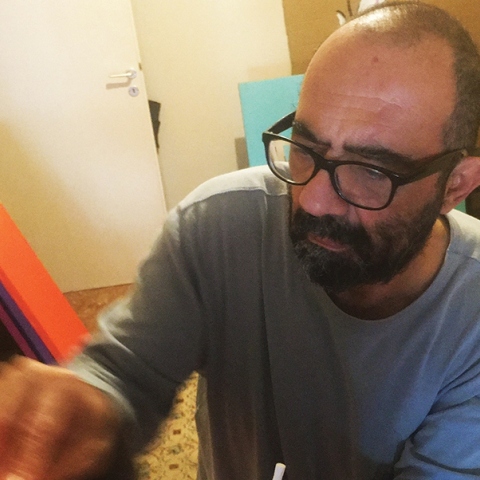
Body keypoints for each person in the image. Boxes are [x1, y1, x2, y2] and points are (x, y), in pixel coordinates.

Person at [2, 1, 480, 479]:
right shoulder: (218, 227)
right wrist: (86, 411)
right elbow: (126, 371)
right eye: (305, 148)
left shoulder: (471, 314)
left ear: (455, 186)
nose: (314, 201)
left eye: (372, 171)